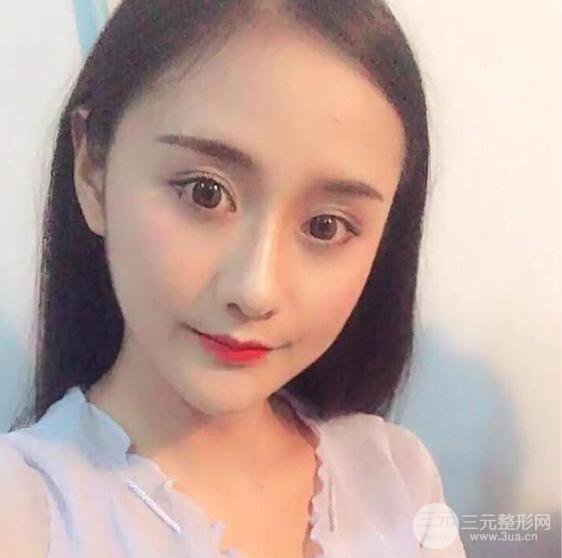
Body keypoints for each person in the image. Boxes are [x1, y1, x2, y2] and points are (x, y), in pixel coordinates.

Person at [0, 0, 467, 557]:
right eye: (206, 193)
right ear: (93, 169)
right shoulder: (25, 511)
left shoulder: (397, 479)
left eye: (325, 226)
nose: (255, 290)